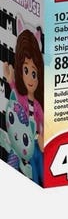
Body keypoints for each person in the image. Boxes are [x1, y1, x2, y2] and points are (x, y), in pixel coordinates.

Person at [3, 29, 45, 185]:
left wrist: (42, 136)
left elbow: (43, 122)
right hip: (18, 139)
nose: (30, 79)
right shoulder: (20, 96)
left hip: (33, 142)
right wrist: (10, 79)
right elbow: (14, 93)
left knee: (37, 167)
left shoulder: (38, 106)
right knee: (13, 160)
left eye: (34, 74)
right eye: (26, 70)